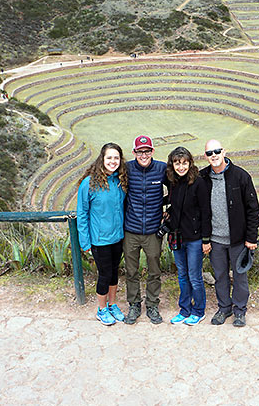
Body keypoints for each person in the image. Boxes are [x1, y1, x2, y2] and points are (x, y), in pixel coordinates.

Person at [200, 139, 259, 327]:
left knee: (240, 276)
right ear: (206, 156)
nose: (214, 155)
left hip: (238, 240)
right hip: (215, 240)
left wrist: (251, 238)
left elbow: (253, 209)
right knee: (220, 276)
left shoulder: (241, 176)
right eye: (210, 153)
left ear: (224, 152)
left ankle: (240, 310)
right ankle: (224, 308)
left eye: (217, 151)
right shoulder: (202, 177)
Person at [76, 143, 128, 326]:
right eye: (109, 158)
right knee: (105, 274)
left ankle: (112, 304)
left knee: (114, 273)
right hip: (99, 239)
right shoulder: (89, 183)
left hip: (118, 237)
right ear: (102, 159)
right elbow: (82, 213)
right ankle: (101, 308)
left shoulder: (120, 180)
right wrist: (85, 241)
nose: (113, 161)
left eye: (116, 158)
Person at [123, 135, 167, 325]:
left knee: (154, 271)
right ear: (134, 153)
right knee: (131, 271)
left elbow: (177, 190)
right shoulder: (126, 169)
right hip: (130, 230)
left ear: (152, 151)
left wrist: (167, 209)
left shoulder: (162, 168)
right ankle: (134, 304)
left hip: (153, 231)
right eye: (140, 152)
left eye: (147, 151)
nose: (143, 155)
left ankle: (152, 304)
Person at [165, 147, 212, 326]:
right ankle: (184, 310)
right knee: (182, 276)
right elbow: (176, 205)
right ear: (173, 165)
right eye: (177, 163)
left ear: (190, 163)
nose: (181, 167)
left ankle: (198, 311)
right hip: (178, 237)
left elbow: (206, 212)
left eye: (184, 163)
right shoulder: (174, 182)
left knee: (194, 276)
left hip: (194, 239)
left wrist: (206, 240)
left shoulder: (199, 183)